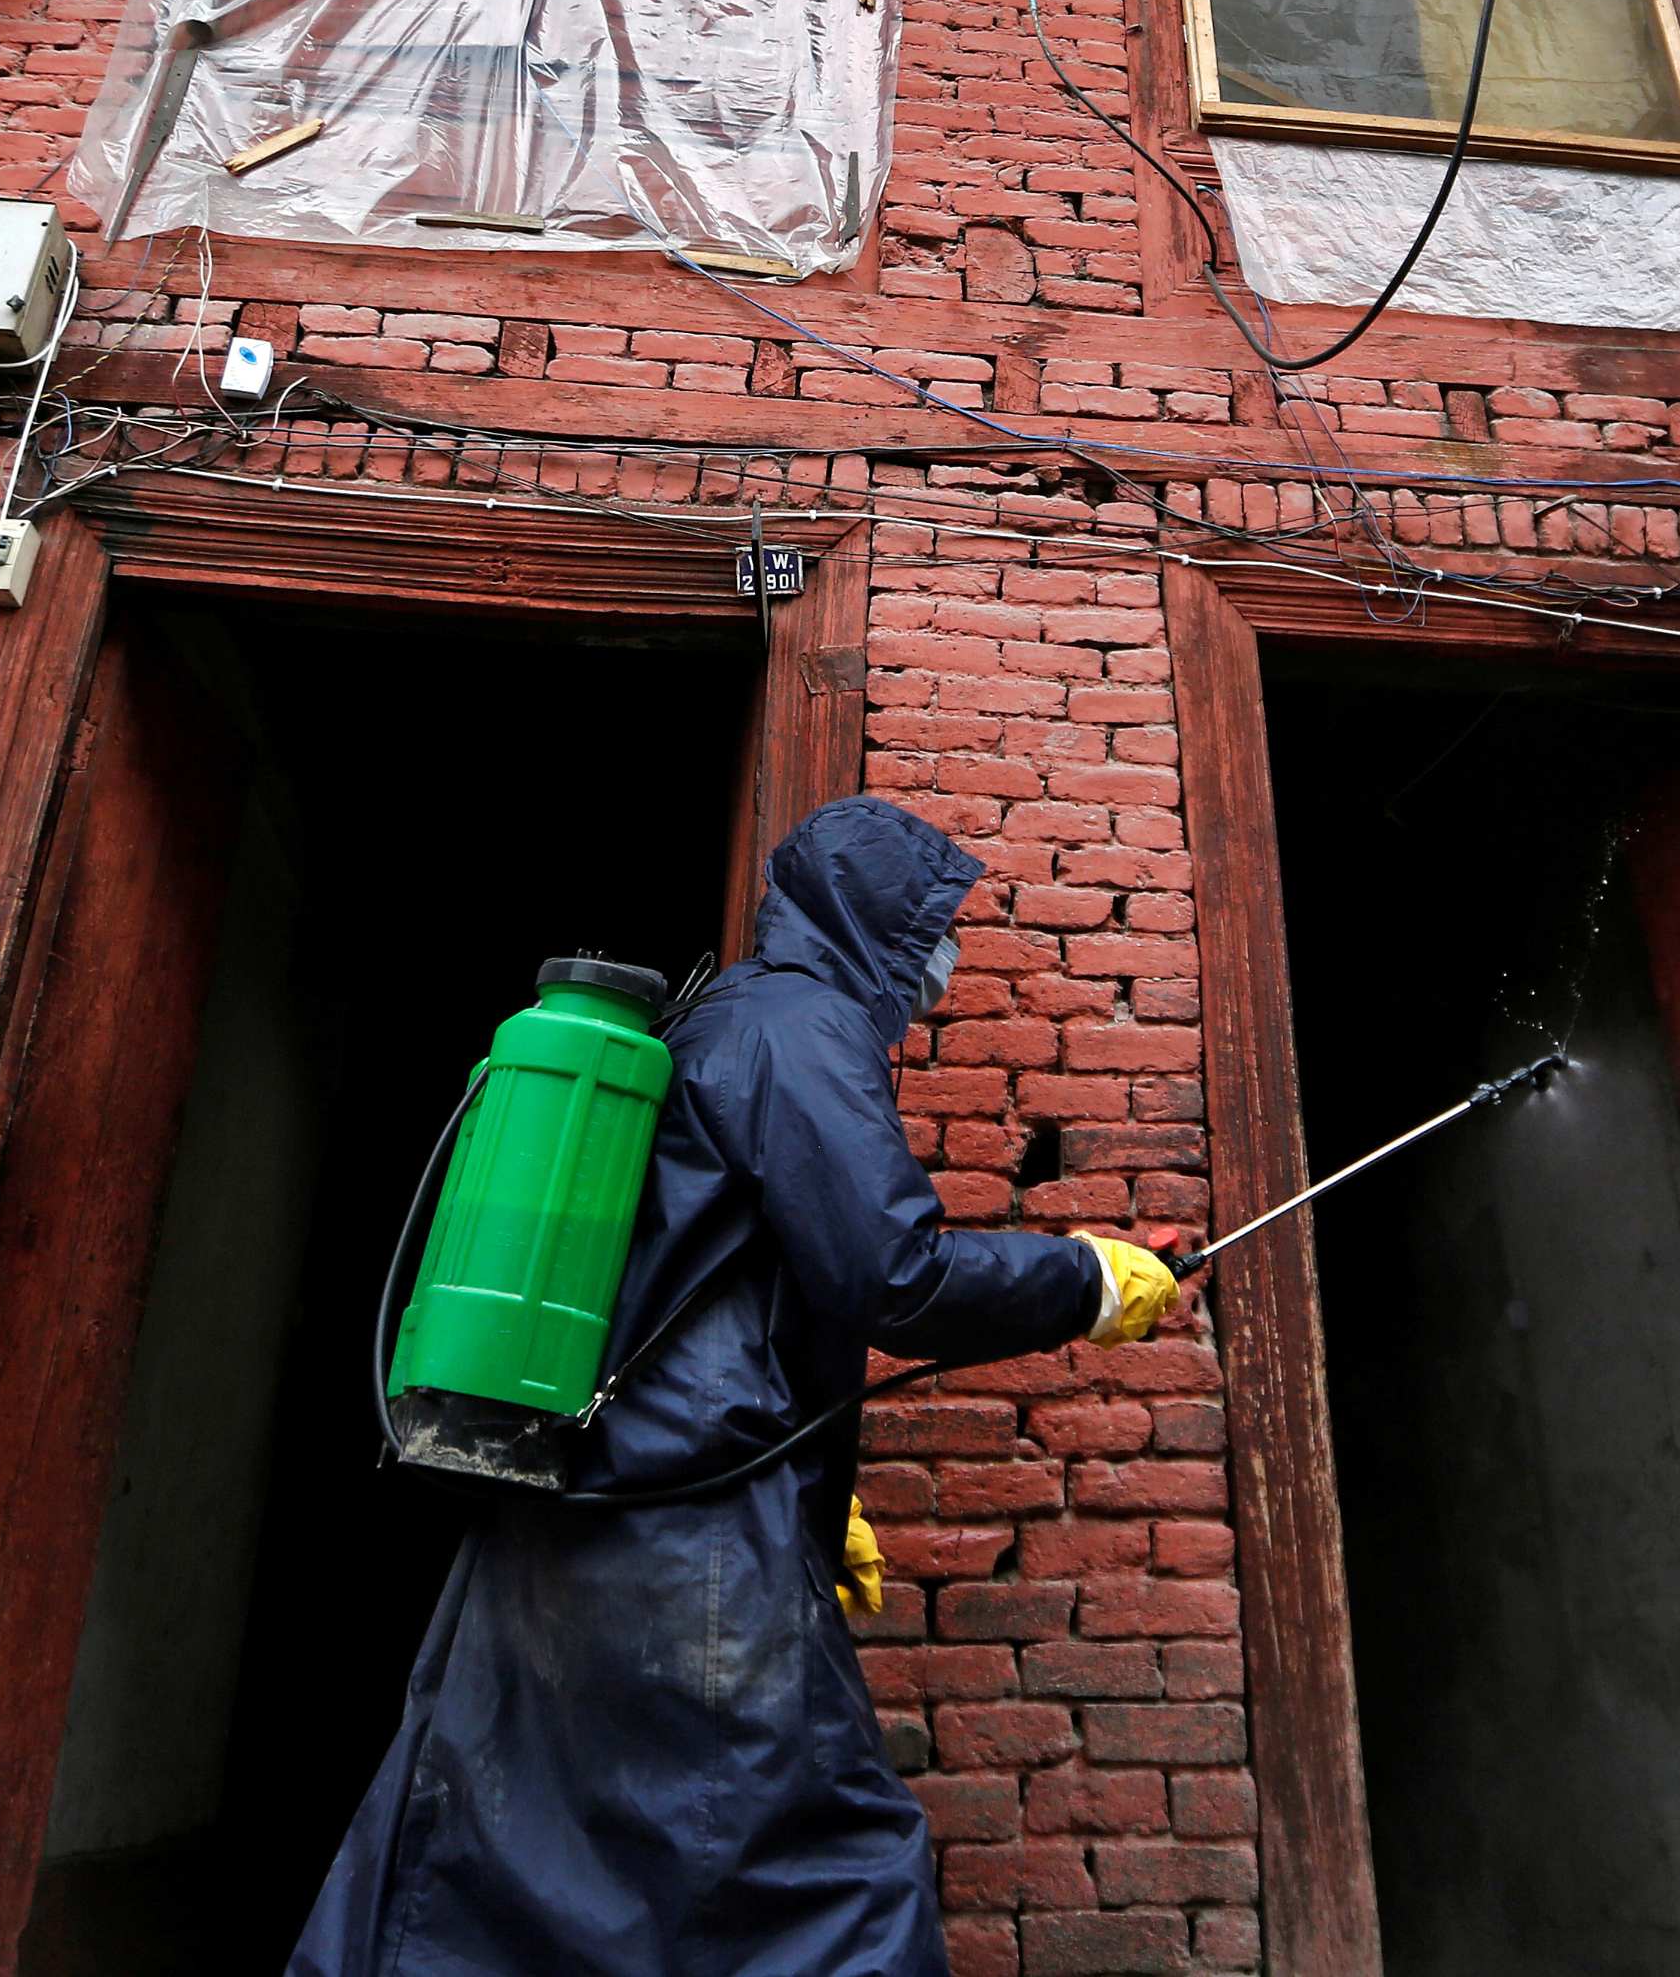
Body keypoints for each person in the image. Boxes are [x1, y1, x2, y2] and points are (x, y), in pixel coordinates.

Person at [287, 794, 1181, 1977]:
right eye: (933, 926)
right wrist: (1082, 1279)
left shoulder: (724, 1020)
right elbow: (889, 1272)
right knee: (835, 1871)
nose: (947, 957)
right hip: (684, 1520)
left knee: (499, 1842)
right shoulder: (800, 1030)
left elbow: (718, 1287)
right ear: (872, 922)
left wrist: (814, 1502)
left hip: (577, 1498)